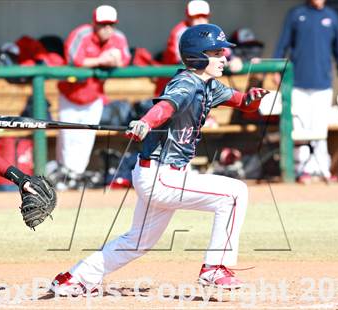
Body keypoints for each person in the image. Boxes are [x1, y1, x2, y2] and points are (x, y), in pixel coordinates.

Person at [50, 24, 269, 295]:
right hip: (162, 176)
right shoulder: (186, 82)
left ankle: (76, 278)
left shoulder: (208, 84)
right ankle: (215, 267)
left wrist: (252, 99)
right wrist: (145, 121)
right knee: (235, 193)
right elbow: (165, 107)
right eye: (216, 52)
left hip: (159, 175)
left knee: (138, 242)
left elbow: (242, 101)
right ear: (198, 55)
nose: (224, 57)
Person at [273, 0, 338, 183]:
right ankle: (302, 170)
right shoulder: (296, 14)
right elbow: (282, 44)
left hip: (323, 84)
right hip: (297, 83)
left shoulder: (331, 17)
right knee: (300, 128)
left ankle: (321, 170)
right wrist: (277, 69)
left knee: (319, 128)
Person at [55, 4, 131, 189]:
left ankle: (76, 177)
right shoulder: (81, 34)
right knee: (68, 137)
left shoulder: (118, 38)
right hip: (70, 96)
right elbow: (73, 60)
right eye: (103, 24)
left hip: (94, 97)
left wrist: (116, 61)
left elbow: (126, 59)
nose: (107, 29)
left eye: (110, 24)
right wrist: (100, 60)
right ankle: (63, 176)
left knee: (86, 138)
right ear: (94, 23)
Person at [154, 0, 243, 95]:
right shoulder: (181, 32)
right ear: (188, 16)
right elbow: (184, 61)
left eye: (203, 16)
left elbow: (223, 50)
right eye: (196, 16)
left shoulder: (208, 31)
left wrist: (233, 59)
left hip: (196, 86)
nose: (200, 19)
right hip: (172, 85)